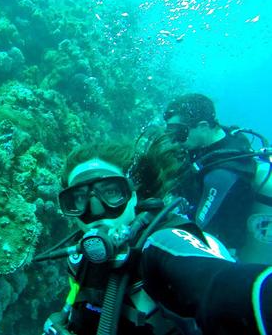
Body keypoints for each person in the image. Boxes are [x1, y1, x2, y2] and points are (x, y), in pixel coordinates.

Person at [37, 141, 271, 335]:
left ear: (135, 196)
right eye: (78, 199)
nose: (95, 210)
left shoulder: (161, 246)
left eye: (110, 192)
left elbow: (222, 285)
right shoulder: (81, 256)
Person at [163, 93, 272, 263]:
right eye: (172, 132)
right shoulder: (223, 138)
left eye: (180, 133)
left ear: (204, 126)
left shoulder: (221, 175)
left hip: (220, 251)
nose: (175, 140)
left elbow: (198, 227)